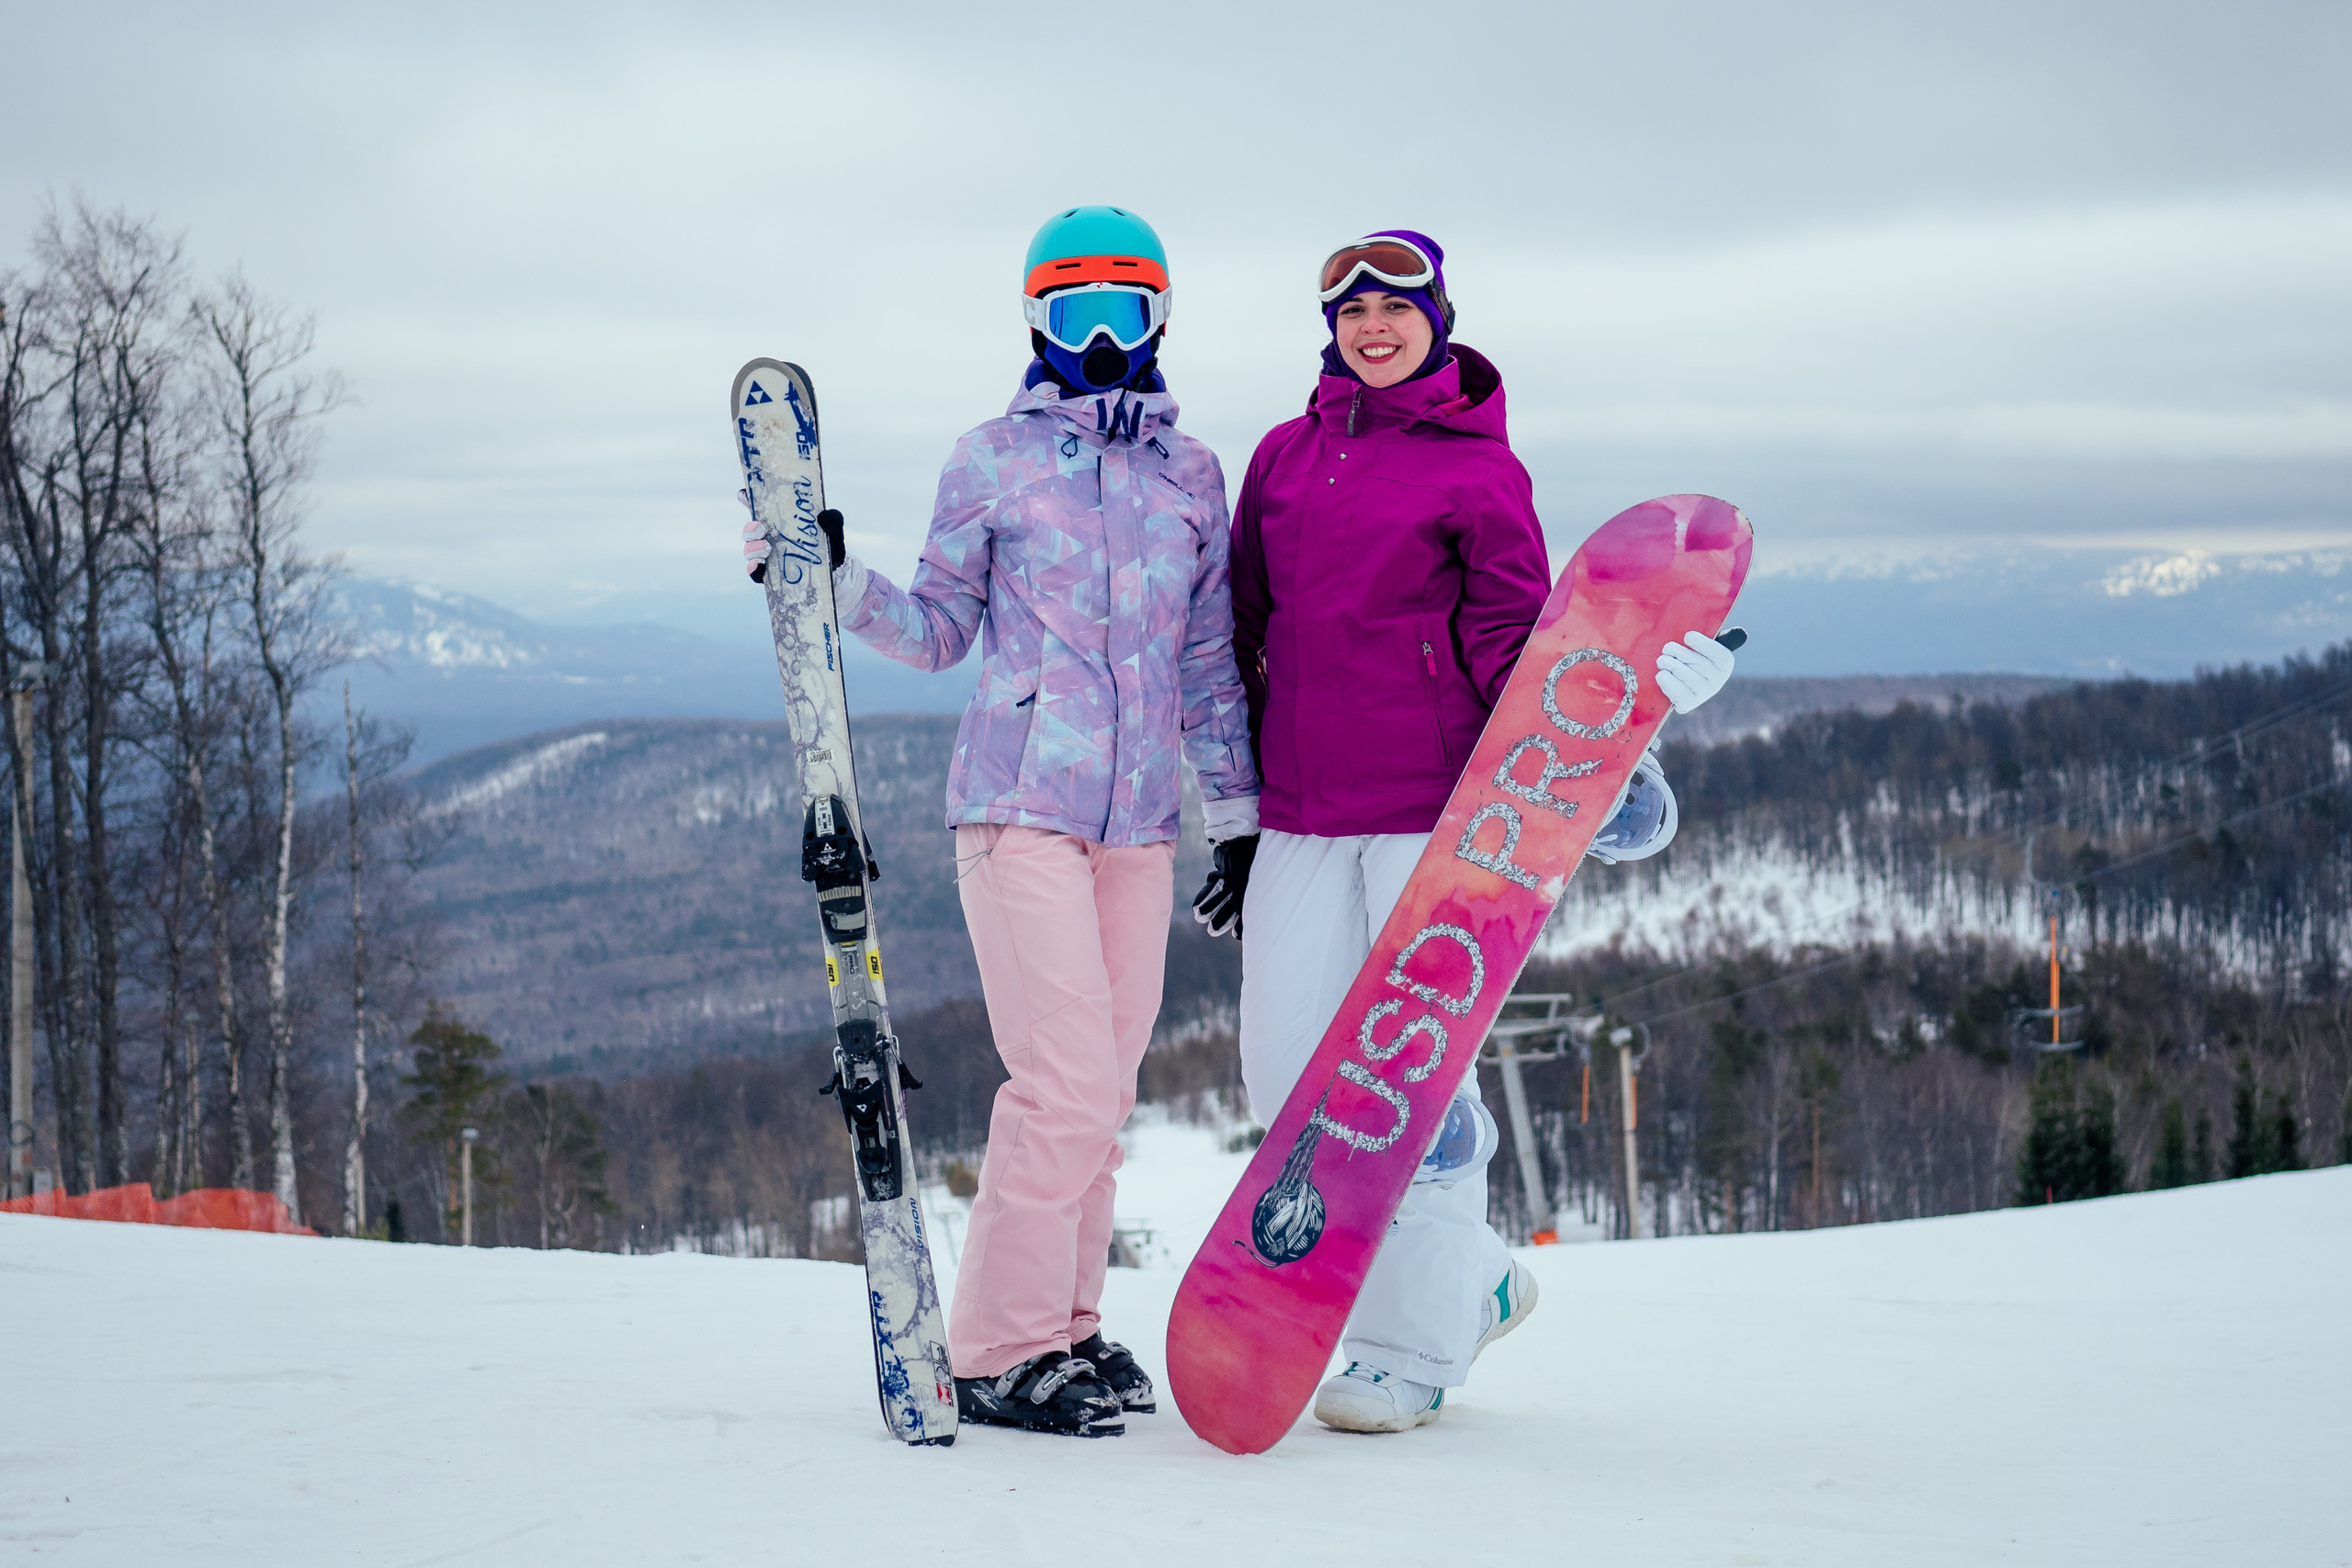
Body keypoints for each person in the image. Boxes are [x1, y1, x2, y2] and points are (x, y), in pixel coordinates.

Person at [1205, 230, 1734, 1434]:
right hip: (1298, 813)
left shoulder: (1480, 473)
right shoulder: (1284, 459)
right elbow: (1237, 632)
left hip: (1433, 817)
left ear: (1436, 317)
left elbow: (1518, 657)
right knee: (1286, 1077)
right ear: (1328, 328)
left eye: (1396, 308)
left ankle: (1412, 1348)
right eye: (1350, 312)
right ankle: (1482, 1276)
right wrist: (1230, 813)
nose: (1372, 328)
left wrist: (1630, 728)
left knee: (1402, 1081)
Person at [743, 206, 1260, 1438]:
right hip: (1018, 807)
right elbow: (936, 630)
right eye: (1073, 313)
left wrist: (1232, 816)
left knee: (1108, 1087)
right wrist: (834, 576)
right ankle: (992, 1348)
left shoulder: (1193, 475)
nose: (1098, 338)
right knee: (1066, 1078)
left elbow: (1204, 663)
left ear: (1160, 319)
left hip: (1136, 826)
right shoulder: (990, 457)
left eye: (1121, 313)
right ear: (1036, 321)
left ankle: (1067, 1328)